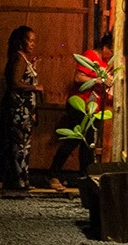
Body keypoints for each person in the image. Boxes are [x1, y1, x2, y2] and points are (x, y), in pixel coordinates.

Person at [47, 32, 113, 192]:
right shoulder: (91, 55)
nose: (112, 55)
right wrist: (99, 80)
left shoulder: (105, 64)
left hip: (93, 109)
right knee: (74, 140)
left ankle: (85, 179)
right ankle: (53, 175)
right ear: (105, 47)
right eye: (111, 51)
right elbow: (78, 78)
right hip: (80, 105)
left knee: (87, 145)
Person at [0, 25, 43, 193]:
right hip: (18, 110)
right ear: (20, 42)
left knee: (21, 145)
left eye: (34, 41)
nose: (32, 44)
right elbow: (14, 82)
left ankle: (18, 179)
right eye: (29, 40)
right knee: (17, 145)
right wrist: (35, 88)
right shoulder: (18, 58)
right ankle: (18, 181)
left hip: (25, 110)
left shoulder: (24, 59)